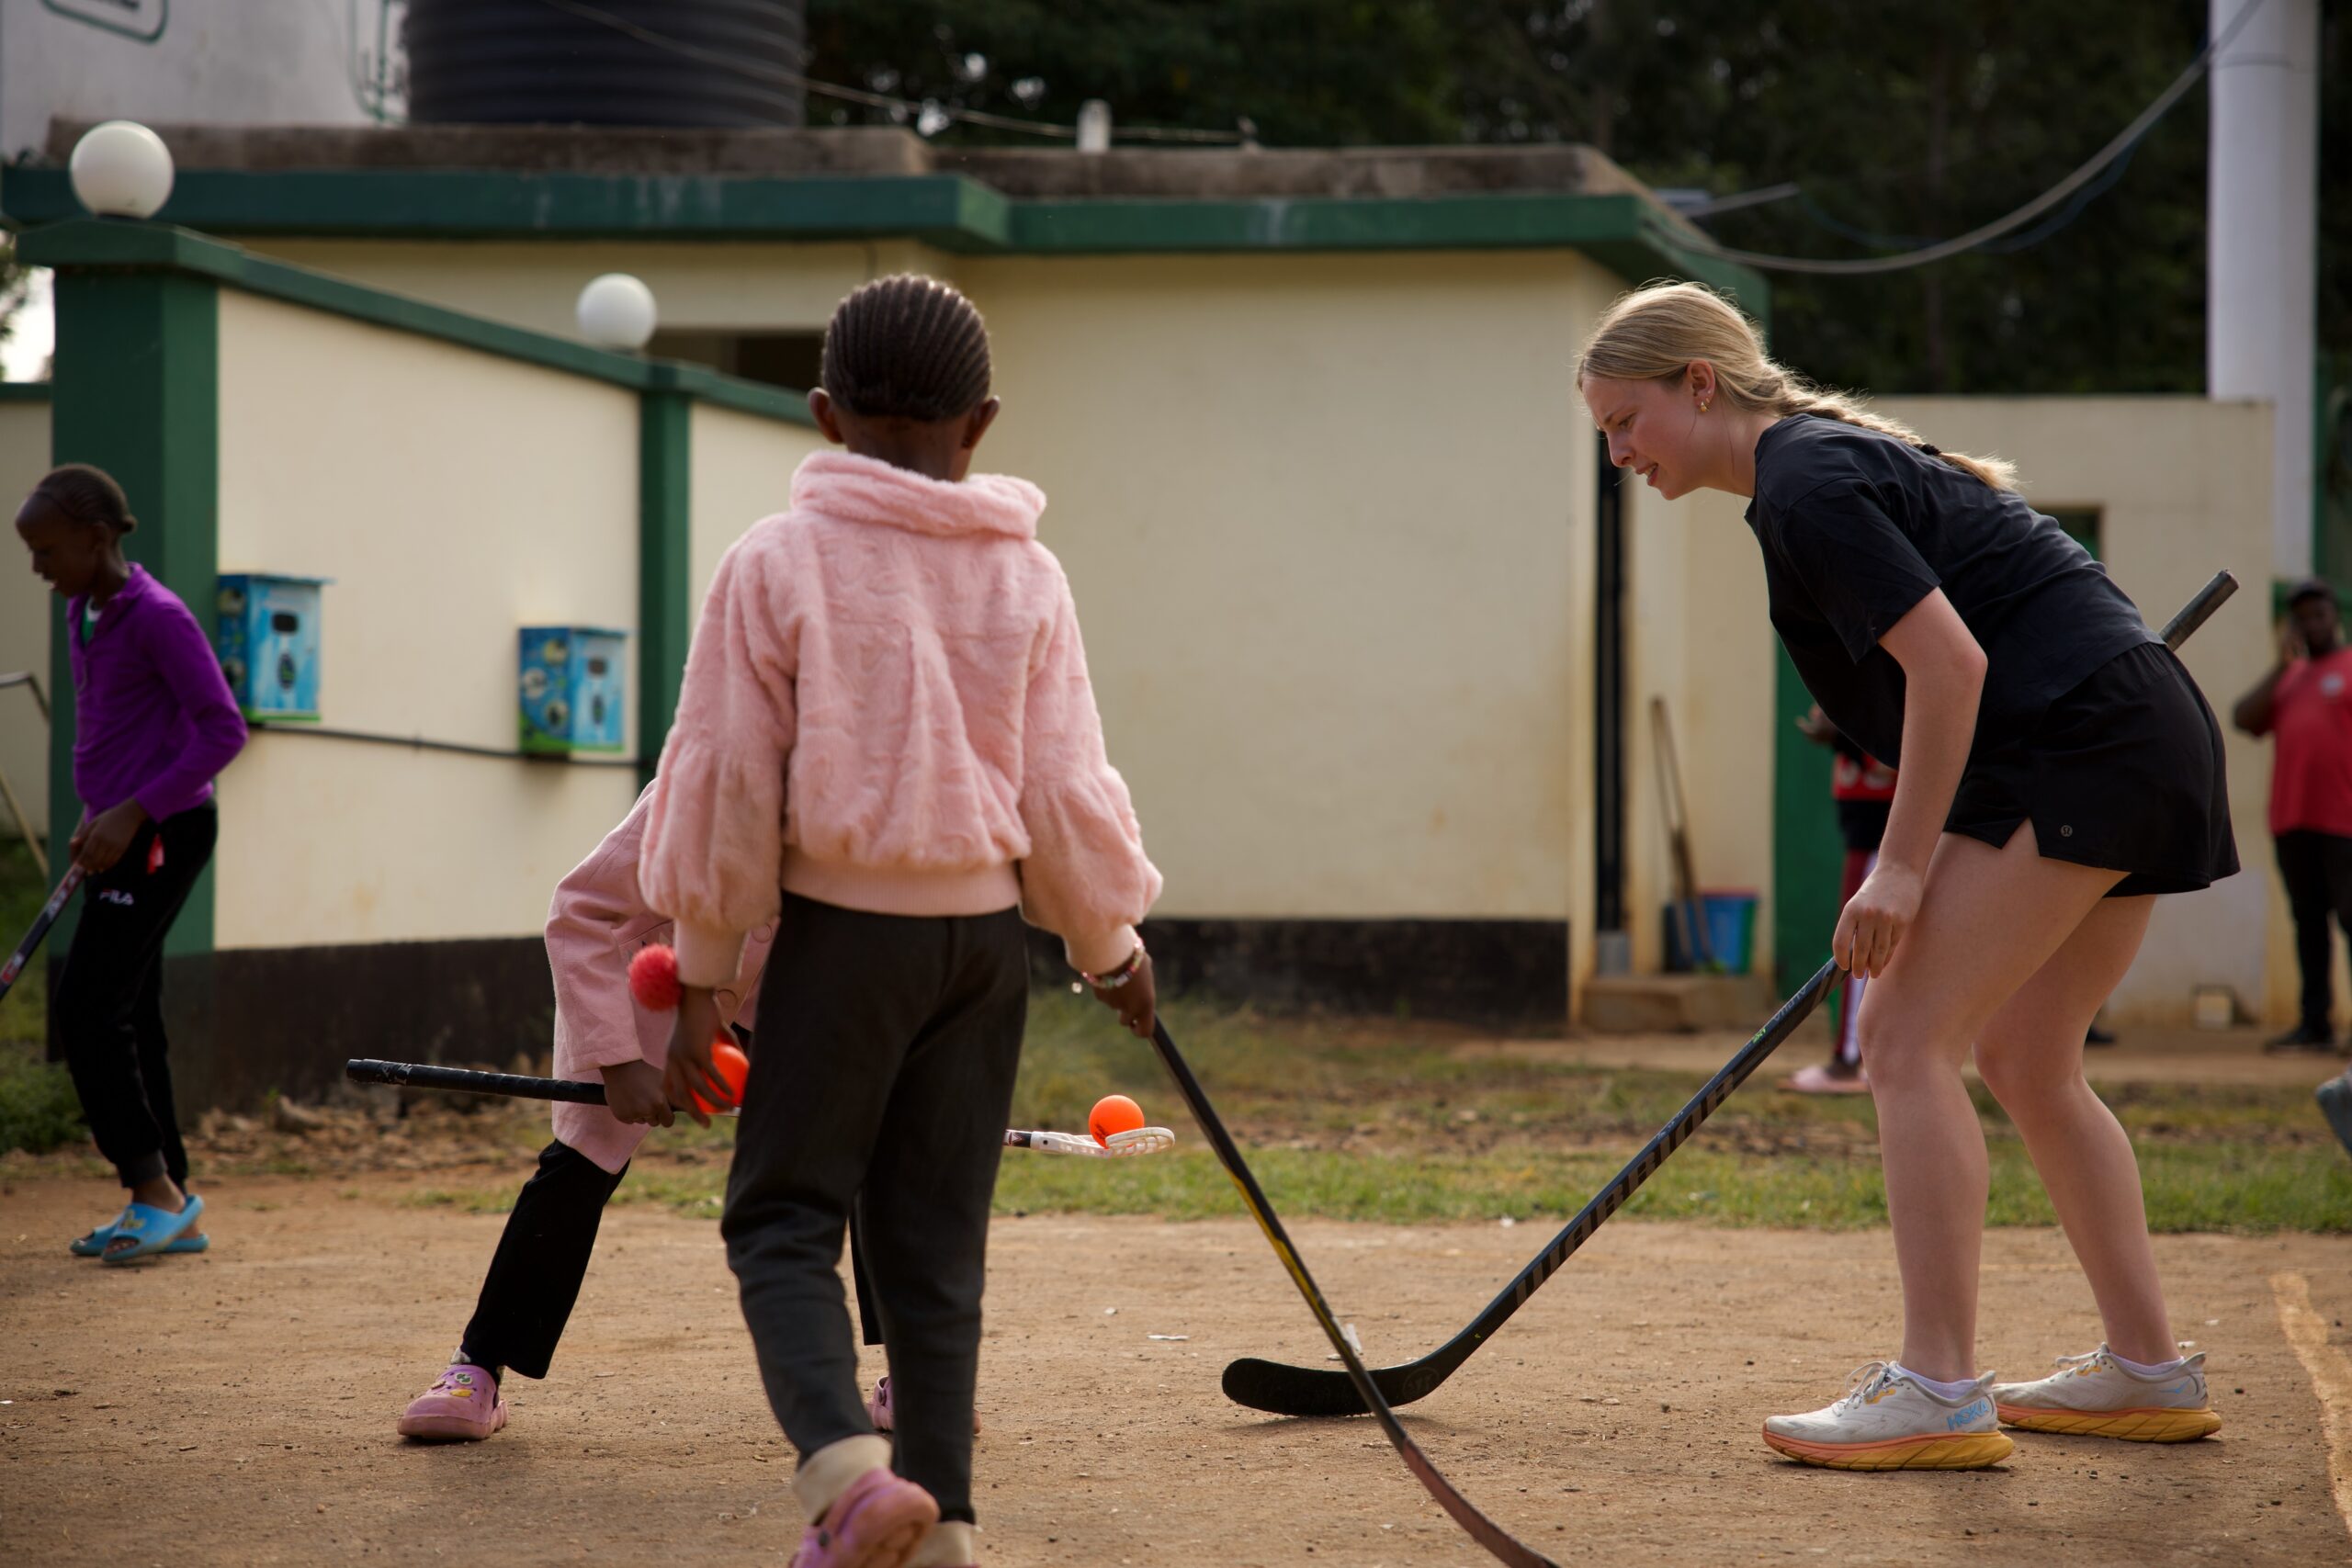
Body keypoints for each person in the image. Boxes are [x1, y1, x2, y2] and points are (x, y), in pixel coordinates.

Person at [1579, 282, 2233, 1472]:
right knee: (2025, 1056)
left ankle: (1938, 1382)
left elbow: (1950, 665)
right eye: (1604, 435)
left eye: (1626, 421)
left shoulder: (1807, 484)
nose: (1618, 451)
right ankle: (2148, 1366)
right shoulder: (1816, 471)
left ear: (1700, 384)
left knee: (1897, 1038)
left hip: (2087, 743)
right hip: (2120, 734)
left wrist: (1900, 867)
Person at [639, 275, 1161, 1568]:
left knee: (782, 1217)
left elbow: (725, 778)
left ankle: (847, 1474)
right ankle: (947, 1531)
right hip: (984, 956)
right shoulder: (1028, 577)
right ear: (979, 424)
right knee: (936, 1250)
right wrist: (1112, 945)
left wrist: (701, 971)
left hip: (846, 938)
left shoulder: (775, 560)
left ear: (822, 412)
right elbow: (1063, 787)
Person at [393, 785, 776, 1440]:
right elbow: (578, 914)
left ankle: (908, 1373)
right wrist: (620, 1062)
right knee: (578, 1167)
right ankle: (477, 1367)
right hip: (631, 1003)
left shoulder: (852, 799)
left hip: (772, 995)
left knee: (867, 1152)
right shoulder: (690, 792)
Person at [17, 465, 246, 1265]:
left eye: (47, 550)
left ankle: (152, 1190)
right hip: (120, 828)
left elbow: (223, 731)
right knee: (131, 1009)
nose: (38, 566)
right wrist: (98, 811)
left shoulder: (158, 616)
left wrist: (133, 810)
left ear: (97, 538)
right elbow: (124, 731)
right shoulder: (87, 610)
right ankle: (169, 1197)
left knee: (86, 1004)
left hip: (165, 830)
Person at [2231, 579, 2352, 1054]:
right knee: (2309, 922)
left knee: (2351, 917)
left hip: (2343, 819)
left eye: (2318, 614)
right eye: (2300, 617)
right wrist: (2281, 667)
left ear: (2334, 616)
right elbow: (2244, 718)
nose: (2310, 623)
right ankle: (2315, 1024)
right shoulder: (2289, 677)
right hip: (2293, 820)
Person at [1782, 705, 1893, 1094]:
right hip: (1868, 827)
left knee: (1861, 946)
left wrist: (1853, 731)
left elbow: (1888, 761)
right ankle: (1857, 1058)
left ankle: (1850, 1061)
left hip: (1884, 831)